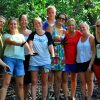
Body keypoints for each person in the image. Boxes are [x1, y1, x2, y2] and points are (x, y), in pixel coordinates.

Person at [0, 17, 33, 100]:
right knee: (6, 83)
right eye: (11, 24)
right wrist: (20, 44)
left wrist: (30, 50)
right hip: (8, 60)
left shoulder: (21, 36)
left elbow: (25, 44)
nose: (13, 25)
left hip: (19, 61)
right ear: (8, 25)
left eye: (14, 24)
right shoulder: (5, 35)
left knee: (20, 84)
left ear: (17, 25)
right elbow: (10, 42)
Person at [28, 17, 55, 100]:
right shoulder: (32, 34)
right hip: (34, 62)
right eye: (35, 23)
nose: (37, 24)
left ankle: (44, 98)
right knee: (34, 82)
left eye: (39, 23)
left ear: (42, 24)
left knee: (44, 81)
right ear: (33, 25)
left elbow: (51, 45)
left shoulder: (47, 34)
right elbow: (30, 43)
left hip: (45, 62)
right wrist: (31, 49)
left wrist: (53, 55)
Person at [47, 13, 68, 100]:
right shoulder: (51, 28)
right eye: (60, 18)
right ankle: (47, 96)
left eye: (63, 19)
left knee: (58, 77)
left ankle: (57, 97)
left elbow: (66, 44)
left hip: (61, 55)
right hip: (52, 53)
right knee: (49, 76)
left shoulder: (65, 30)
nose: (61, 20)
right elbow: (47, 41)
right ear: (57, 18)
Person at [63, 18, 82, 100]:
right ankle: (66, 96)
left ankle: (72, 96)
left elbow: (86, 38)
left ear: (75, 26)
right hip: (65, 59)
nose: (71, 27)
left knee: (74, 79)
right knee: (65, 79)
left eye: (73, 25)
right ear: (67, 26)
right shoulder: (65, 34)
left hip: (75, 59)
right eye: (69, 25)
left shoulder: (78, 33)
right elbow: (61, 45)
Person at [76, 22, 95, 100]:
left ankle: (89, 98)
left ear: (87, 28)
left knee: (89, 81)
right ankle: (84, 97)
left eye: (83, 27)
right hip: (79, 62)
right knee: (82, 82)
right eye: (80, 28)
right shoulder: (79, 38)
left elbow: (94, 52)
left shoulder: (91, 37)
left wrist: (91, 64)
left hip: (88, 62)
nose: (82, 29)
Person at [19, 13, 32, 100]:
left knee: (27, 80)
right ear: (19, 21)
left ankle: (26, 97)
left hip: (28, 58)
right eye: (22, 20)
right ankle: (19, 97)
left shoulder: (30, 32)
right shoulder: (16, 30)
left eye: (25, 20)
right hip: (18, 57)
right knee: (19, 80)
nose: (24, 21)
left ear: (27, 21)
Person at [93, 19, 100, 99]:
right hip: (97, 63)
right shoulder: (94, 38)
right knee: (99, 82)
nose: (99, 27)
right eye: (97, 26)